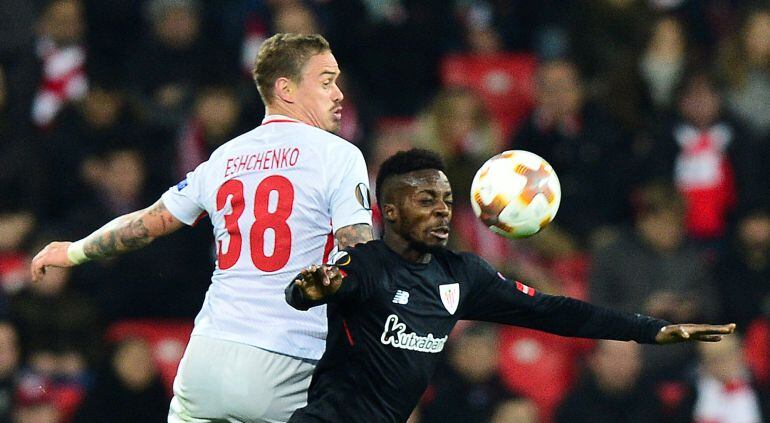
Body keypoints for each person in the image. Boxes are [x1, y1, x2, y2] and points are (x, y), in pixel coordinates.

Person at [30, 33, 373, 422]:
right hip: (289, 358)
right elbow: (359, 257)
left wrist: (73, 251)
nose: (339, 93)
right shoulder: (339, 155)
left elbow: (145, 224)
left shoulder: (224, 158)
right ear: (286, 89)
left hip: (207, 357)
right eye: (327, 81)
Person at [285, 148, 735, 423]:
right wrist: (310, 291)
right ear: (391, 211)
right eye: (426, 201)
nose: (443, 211)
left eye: (447, 200)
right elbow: (317, 288)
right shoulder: (365, 266)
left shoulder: (461, 275)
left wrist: (649, 329)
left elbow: (557, 311)